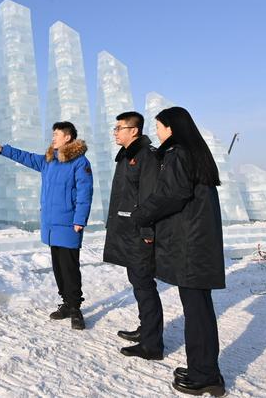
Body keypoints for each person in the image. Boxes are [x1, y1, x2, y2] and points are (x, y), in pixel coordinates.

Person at [131, 107, 226, 397]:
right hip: (197, 243)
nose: (157, 132)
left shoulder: (178, 154)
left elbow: (171, 194)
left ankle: (205, 375)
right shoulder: (193, 152)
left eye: (159, 127)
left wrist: (141, 214)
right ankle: (203, 367)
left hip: (191, 245)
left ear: (171, 128)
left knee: (197, 311)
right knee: (199, 309)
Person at [0, 121, 93, 330]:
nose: (53, 137)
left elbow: (85, 193)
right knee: (58, 267)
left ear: (68, 137)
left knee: (70, 267)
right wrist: (2, 150)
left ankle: (76, 309)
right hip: (51, 224)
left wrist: (80, 220)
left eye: (56, 134)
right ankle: (66, 302)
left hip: (69, 224)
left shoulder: (80, 162)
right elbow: (26, 157)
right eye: (53, 134)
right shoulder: (48, 160)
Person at [102, 111, 164, 360]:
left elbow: (149, 197)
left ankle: (152, 345)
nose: (115, 132)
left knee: (144, 285)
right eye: (115, 128)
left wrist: (147, 230)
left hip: (139, 233)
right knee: (138, 284)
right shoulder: (128, 156)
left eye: (119, 128)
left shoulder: (146, 157)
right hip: (128, 231)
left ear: (134, 130)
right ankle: (146, 329)